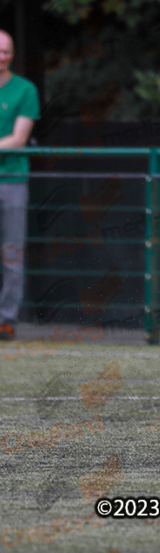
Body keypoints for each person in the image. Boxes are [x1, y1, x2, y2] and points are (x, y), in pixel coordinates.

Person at [0, 30, 38, 341]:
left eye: (5, 51)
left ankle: (6, 320)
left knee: (11, 253)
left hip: (11, 181)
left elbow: (18, 139)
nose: (1, 56)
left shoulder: (25, 89)